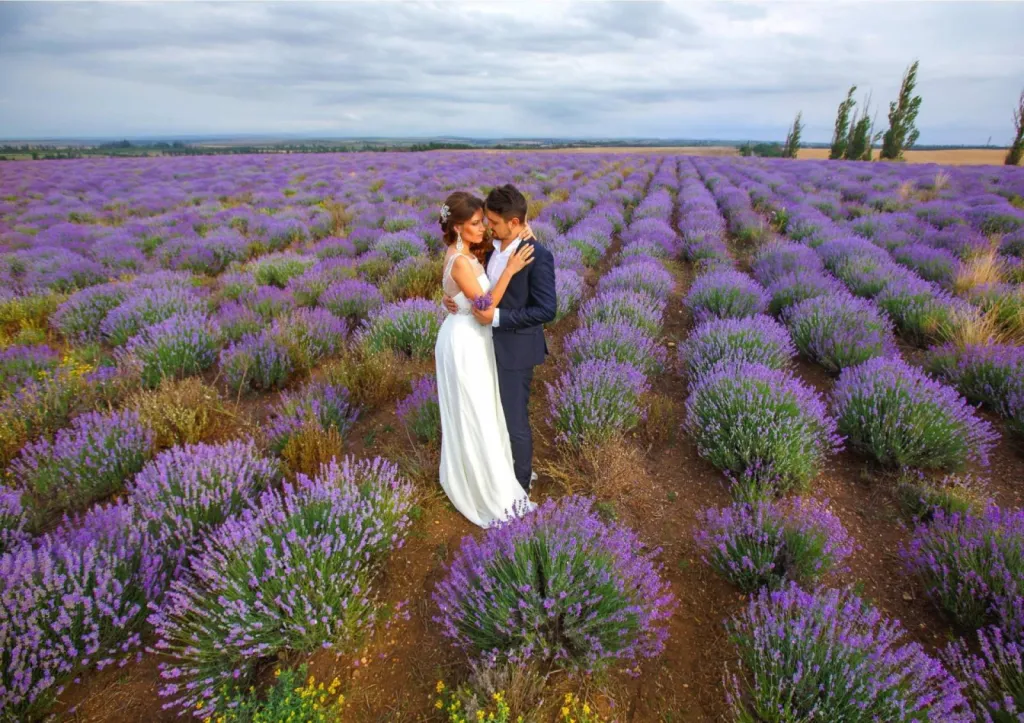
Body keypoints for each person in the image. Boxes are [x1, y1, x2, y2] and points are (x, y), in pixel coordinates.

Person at [443, 184, 557, 495]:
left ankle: (519, 486)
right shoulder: (492, 248)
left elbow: (547, 309)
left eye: (493, 222)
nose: (488, 229)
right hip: (481, 346)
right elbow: (467, 279)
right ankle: (497, 473)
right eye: (484, 222)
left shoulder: (537, 256)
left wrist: (496, 318)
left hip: (514, 348)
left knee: (514, 419)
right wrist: (451, 298)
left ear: (515, 223)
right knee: (490, 413)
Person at [434, 191, 537, 528]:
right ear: (458, 227)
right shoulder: (460, 260)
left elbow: (461, 294)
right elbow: (483, 307)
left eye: (484, 223)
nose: (484, 230)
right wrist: (510, 269)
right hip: (465, 341)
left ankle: (493, 472)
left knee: (483, 408)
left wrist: (524, 233)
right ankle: (480, 485)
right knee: (474, 411)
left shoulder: (466, 253)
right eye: (477, 224)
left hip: (472, 337)